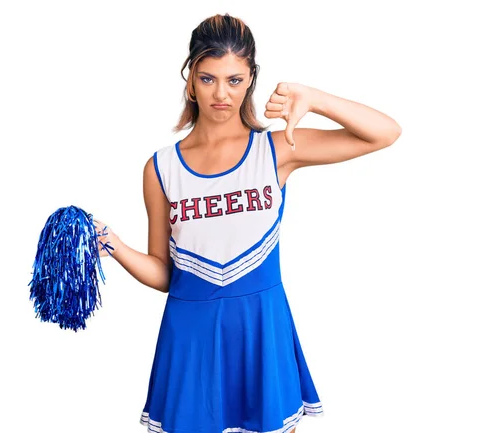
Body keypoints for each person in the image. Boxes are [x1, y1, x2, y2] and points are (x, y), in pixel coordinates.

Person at [93, 13, 401, 433]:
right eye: (208, 78)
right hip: (191, 336)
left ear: (251, 79)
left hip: (262, 329)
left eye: (235, 80)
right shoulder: (160, 168)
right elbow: (165, 273)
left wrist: (313, 98)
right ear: (189, 79)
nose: (221, 93)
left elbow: (384, 133)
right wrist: (110, 243)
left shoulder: (276, 149)